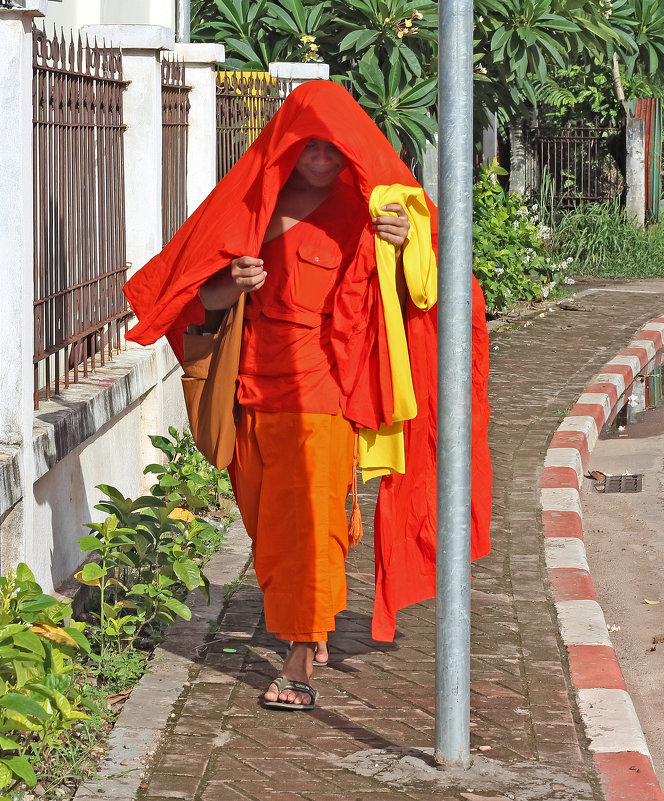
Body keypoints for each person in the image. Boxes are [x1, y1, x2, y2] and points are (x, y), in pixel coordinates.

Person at [123, 80, 492, 711]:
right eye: (308, 146)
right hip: (249, 387)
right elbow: (193, 300)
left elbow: (422, 302)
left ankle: (297, 658)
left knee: (305, 525)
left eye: (332, 148)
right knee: (269, 525)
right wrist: (229, 284)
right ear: (286, 144)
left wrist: (407, 247)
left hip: (323, 390)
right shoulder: (250, 206)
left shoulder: (372, 213)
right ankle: (310, 608)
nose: (321, 160)